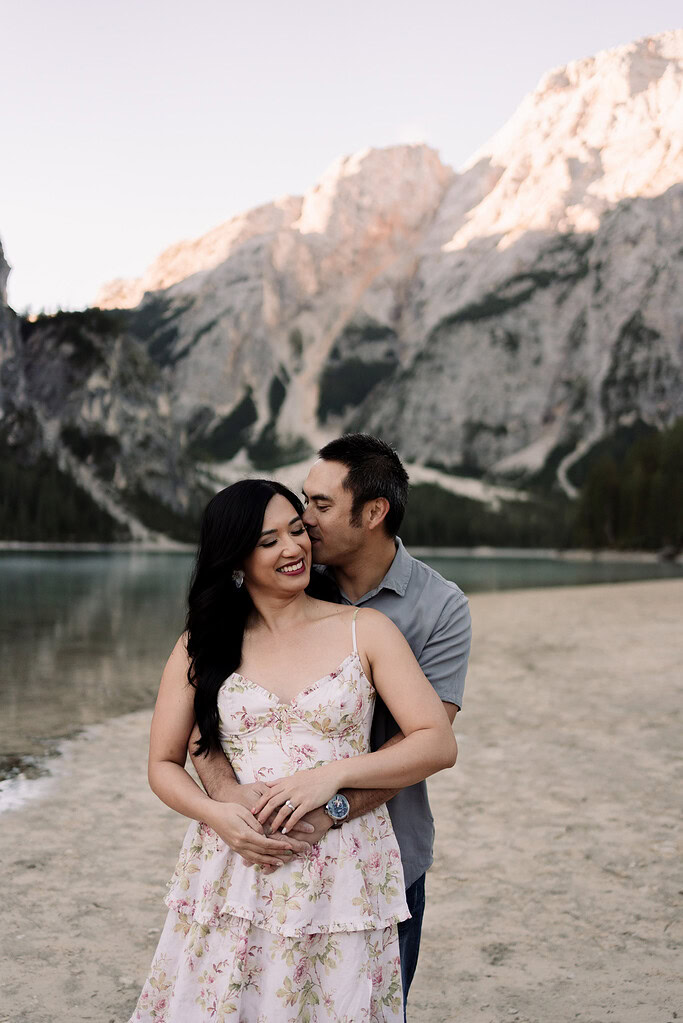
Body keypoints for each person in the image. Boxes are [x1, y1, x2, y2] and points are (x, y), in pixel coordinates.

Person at [128, 478, 457, 1022]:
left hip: (345, 867)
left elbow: (436, 742)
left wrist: (331, 777)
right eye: (268, 540)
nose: (293, 547)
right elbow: (163, 763)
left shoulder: (365, 630)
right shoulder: (202, 643)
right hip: (236, 864)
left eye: (298, 530)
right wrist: (218, 814)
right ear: (235, 558)